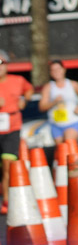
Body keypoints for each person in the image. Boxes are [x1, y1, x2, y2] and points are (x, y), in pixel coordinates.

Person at [0, 49, 34, 214]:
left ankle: (6, 200)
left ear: (6, 65)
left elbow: (29, 90)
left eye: (1, 63)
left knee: (7, 165)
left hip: (12, 128)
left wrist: (24, 99)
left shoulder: (18, 80)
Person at [38, 60, 78, 149]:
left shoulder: (73, 84)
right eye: (53, 70)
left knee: (69, 144)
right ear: (50, 73)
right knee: (62, 151)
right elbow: (42, 107)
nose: (56, 72)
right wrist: (54, 102)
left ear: (64, 70)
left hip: (72, 122)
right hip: (56, 124)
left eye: (58, 69)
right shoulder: (48, 87)